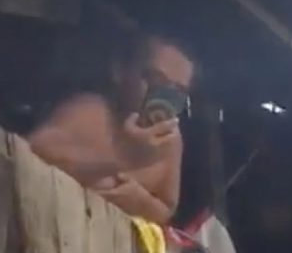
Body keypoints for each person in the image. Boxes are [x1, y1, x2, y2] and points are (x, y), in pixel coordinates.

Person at [29, 32, 194, 227]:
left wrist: (141, 202)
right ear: (120, 71)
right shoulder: (91, 111)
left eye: (178, 92)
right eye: (155, 80)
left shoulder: (171, 140)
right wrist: (123, 158)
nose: (164, 97)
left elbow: (167, 208)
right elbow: (27, 153)